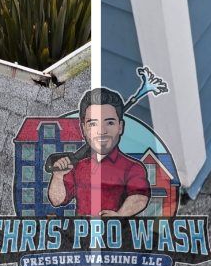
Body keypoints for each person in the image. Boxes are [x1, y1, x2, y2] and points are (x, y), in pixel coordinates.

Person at [47, 88, 150, 217]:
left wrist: (119, 216)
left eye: (110, 122)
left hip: (115, 235)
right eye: (93, 124)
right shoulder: (77, 166)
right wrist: (58, 176)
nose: (101, 131)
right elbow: (57, 200)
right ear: (83, 128)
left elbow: (139, 197)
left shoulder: (133, 167)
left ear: (121, 127)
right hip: (82, 234)